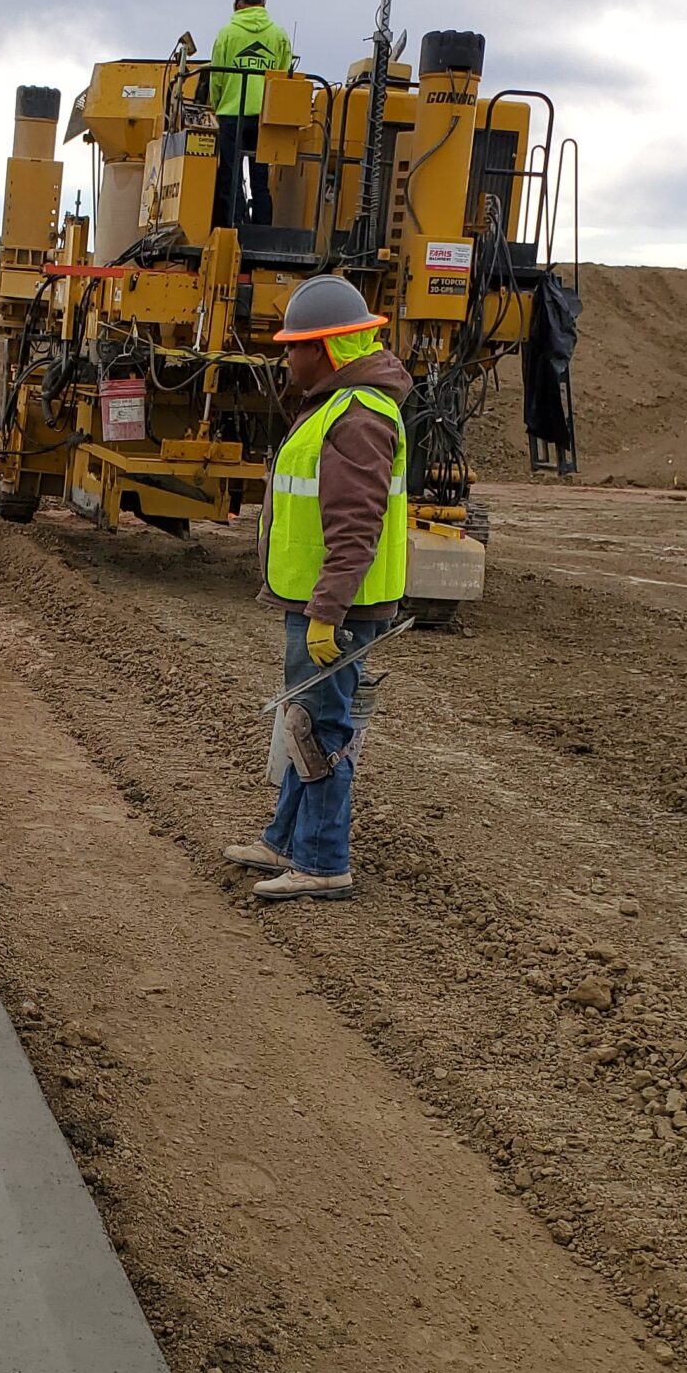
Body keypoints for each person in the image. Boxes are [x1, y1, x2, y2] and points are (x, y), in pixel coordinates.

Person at [225, 274, 409, 902]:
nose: (286, 356)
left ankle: (324, 859)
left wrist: (328, 611)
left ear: (326, 349)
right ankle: (286, 840)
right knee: (303, 716)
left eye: (294, 345)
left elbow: (356, 528)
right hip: (321, 602)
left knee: (321, 728)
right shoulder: (339, 406)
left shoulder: (356, 417)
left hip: (337, 607)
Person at [209, 0, 294, 229]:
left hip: (230, 113)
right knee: (260, 176)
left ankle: (233, 226)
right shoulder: (279, 35)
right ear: (263, 5)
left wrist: (217, 105)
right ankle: (261, 229)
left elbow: (216, 77)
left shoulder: (227, 34)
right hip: (264, 117)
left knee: (230, 174)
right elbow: (282, 77)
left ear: (238, 5)